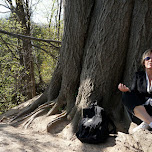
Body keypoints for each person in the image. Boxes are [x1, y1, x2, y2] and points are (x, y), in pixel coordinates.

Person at [118, 49, 152, 132]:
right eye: (148, 58)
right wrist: (126, 90)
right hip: (141, 110)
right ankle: (150, 122)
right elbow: (133, 93)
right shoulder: (138, 76)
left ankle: (147, 123)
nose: (150, 60)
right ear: (144, 62)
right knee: (126, 96)